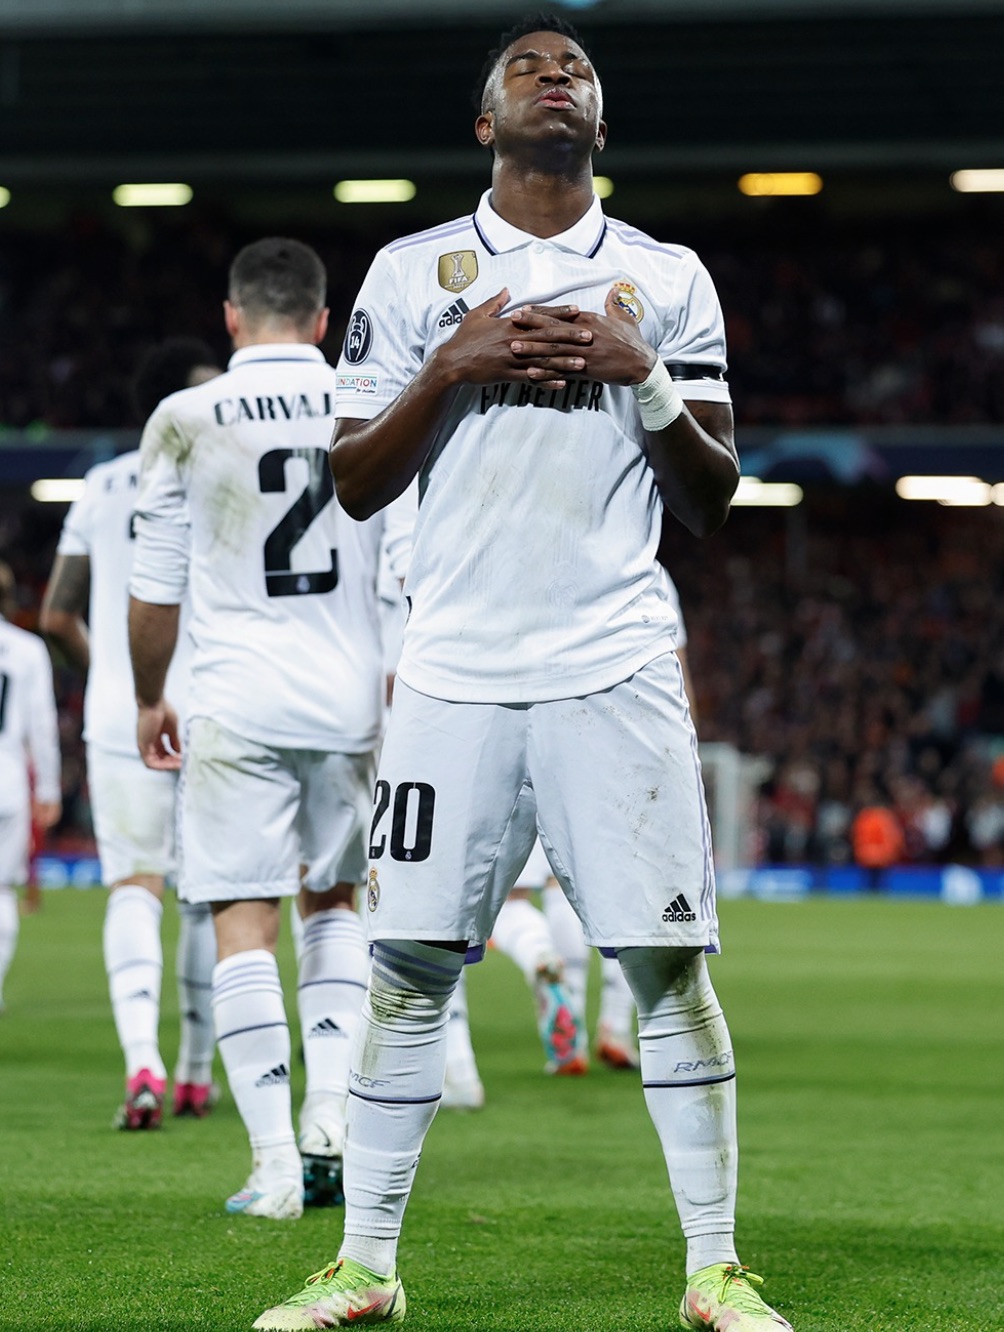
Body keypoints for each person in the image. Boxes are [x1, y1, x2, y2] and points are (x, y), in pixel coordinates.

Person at [254, 14, 792, 1332]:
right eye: (531, 67)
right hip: (452, 672)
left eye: (582, 71)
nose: (562, 76)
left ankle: (713, 1270)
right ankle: (365, 1267)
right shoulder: (409, 273)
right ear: (486, 124)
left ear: (601, 125)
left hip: (615, 665)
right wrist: (451, 364)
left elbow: (716, 499)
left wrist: (643, 377)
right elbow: (354, 481)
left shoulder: (665, 277)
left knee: (670, 968)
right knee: (407, 967)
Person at [128, 238, 413, 1220]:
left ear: (233, 317)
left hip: (235, 697)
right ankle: (330, 1121)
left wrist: (146, 693)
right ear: (325, 320)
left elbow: (155, 581)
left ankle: (275, 1171)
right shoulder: (372, 407)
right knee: (333, 907)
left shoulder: (184, 416)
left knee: (239, 915)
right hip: (347, 700)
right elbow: (408, 565)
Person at [41, 337, 223, 1129]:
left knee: (135, 888)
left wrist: (110, 671)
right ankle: (192, 1072)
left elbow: (55, 614)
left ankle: (142, 1063)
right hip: (217, 706)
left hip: (125, 712)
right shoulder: (223, 469)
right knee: (211, 896)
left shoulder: (100, 485)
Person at [0, 562, 62, 1012]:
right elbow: (41, 726)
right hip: (7, 786)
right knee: (2, 893)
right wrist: (50, 789)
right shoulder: (25, 650)